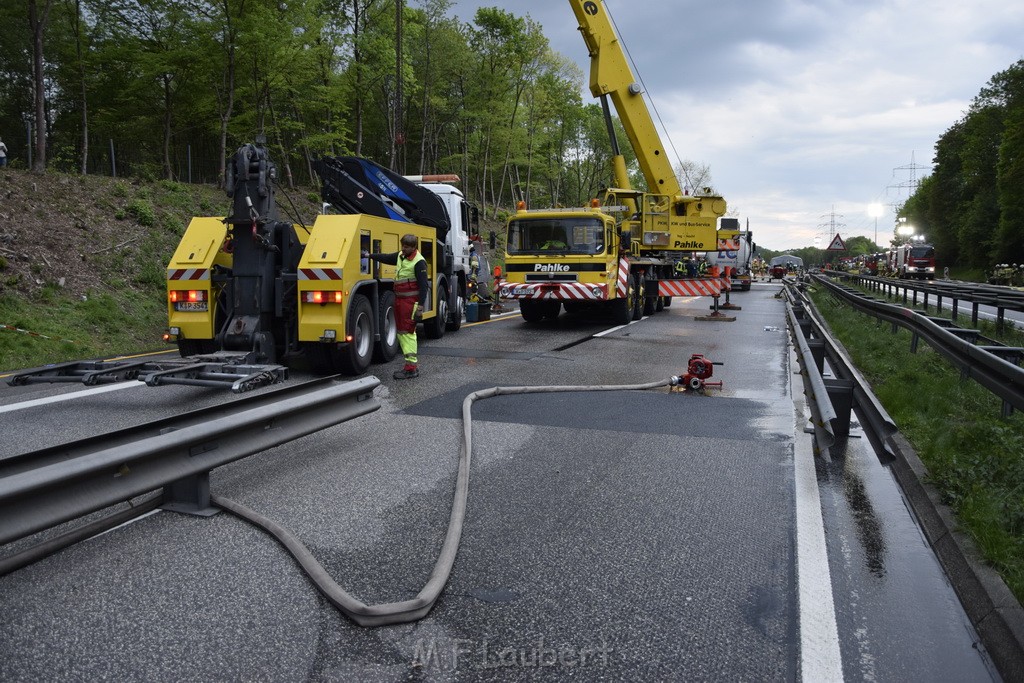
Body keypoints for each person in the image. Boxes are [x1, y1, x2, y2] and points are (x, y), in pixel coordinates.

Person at [364, 234, 428, 379]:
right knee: (402, 332)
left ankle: (411, 368)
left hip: (410, 302)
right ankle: (410, 366)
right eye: (402, 246)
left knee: (408, 332)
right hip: (400, 300)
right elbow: (386, 257)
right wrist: (369, 255)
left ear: (413, 247)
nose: (403, 249)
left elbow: (424, 286)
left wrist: (420, 307)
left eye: (406, 247)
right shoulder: (401, 256)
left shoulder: (419, 262)